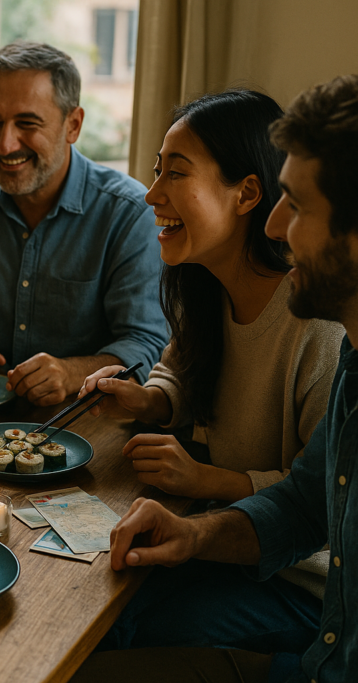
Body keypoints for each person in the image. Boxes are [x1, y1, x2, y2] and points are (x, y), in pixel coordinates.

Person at [72, 74, 358, 683]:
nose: (279, 227)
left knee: (103, 635)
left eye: (299, 205)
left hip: (299, 588)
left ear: (244, 194)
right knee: (90, 604)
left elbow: (314, 528)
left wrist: (206, 483)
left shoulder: (323, 329)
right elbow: (306, 502)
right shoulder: (207, 287)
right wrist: (153, 405)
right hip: (245, 552)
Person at [0, 41, 167, 405]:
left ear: (73, 124)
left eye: (27, 123)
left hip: (79, 421)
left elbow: (145, 345)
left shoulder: (129, 212)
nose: (6, 145)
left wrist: (72, 373)